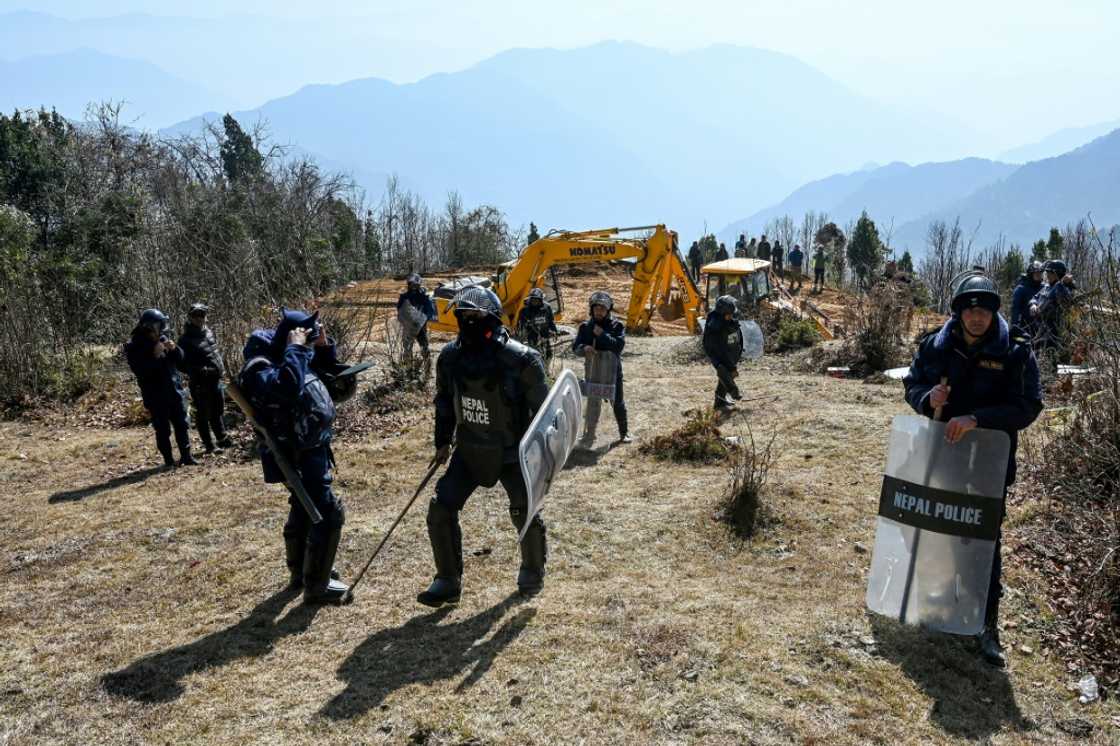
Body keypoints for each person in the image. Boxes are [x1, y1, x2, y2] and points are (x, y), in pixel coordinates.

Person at [903, 274, 1042, 666]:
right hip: (943, 456)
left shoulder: (1014, 351)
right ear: (958, 311)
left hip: (990, 462)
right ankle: (952, 597)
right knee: (948, 526)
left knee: (985, 539)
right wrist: (927, 397)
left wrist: (977, 418)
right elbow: (912, 385)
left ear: (994, 312)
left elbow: (1028, 406)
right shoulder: (936, 346)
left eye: (984, 309)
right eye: (970, 308)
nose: (977, 316)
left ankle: (987, 622)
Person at [418, 287, 550, 607]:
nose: (469, 321)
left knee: (524, 510)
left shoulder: (522, 359)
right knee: (441, 508)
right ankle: (447, 580)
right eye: (464, 316)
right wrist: (441, 442)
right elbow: (445, 404)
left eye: (476, 315)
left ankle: (532, 570)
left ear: (491, 316)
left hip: (512, 452)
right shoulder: (450, 357)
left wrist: (541, 457)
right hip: (470, 448)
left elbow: (545, 413)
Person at [239, 309, 350, 604]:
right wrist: (297, 349)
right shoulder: (259, 365)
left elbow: (332, 382)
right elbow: (285, 390)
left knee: (304, 507)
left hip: (314, 446)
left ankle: (304, 572)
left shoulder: (294, 355)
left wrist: (324, 347)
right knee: (328, 512)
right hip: (293, 451)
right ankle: (317, 584)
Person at [125, 308, 197, 468]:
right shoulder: (134, 346)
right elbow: (141, 371)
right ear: (148, 327)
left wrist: (175, 349)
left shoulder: (163, 338)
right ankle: (168, 461)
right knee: (163, 430)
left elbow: (181, 361)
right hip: (155, 396)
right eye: (158, 326)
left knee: (182, 424)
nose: (161, 330)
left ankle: (187, 456)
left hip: (174, 391)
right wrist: (155, 356)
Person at [573, 290, 630, 447]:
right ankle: (589, 434)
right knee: (593, 402)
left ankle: (624, 433)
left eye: (603, 309)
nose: (599, 311)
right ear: (591, 309)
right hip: (593, 371)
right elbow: (575, 347)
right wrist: (584, 348)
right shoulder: (585, 327)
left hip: (612, 371)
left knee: (617, 401)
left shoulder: (616, 326)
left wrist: (602, 335)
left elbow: (619, 346)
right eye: (596, 308)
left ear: (608, 310)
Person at [177, 303, 232, 454]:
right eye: (196, 315)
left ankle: (222, 438)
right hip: (200, 383)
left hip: (216, 379)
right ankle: (209, 445)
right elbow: (181, 364)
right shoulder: (185, 340)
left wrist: (220, 369)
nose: (199, 318)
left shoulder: (208, 332)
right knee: (203, 414)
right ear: (190, 317)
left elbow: (214, 353)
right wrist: (202, 371)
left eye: (202, 314)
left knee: (217, 410)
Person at [1029, 259, 1074, 372]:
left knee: (1055, 361)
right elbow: (1035, 297)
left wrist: (1061, 283)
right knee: (1035, 356)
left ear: (1057, 274)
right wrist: (1033, 305)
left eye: (1050, 273)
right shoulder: (1046, 286)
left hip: (1056, 332)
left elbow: (1065, 299)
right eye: (1047, 272)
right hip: (1042, 328)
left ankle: (1054, 383)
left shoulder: (1065, 288)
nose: (1047, 275)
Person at [703, 295, 744, 411]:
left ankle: (720, 402)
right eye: (729, 314)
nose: (731, 316)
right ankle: (732, 393)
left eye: (732, 314)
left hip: (729, 353)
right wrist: (731, 367)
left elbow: (735, 334)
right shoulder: (715, 327)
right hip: (718, 353)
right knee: (725, 373)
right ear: (722, 313)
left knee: (725, 375)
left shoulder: (727, 320)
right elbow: (719, 349)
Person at [397, 273, 437, 361]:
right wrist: (404, 320)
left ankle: (427, 370)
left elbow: (430, 311)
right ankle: (408, 369)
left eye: (416, 284)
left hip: (421, 327)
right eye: (412, 284)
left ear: (419, 284)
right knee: (407, 350)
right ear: (409, 284)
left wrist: (425, 317)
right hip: (408, 327)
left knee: (424, 348)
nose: (414, 286)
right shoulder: (404, 297)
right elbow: (399, 310)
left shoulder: (424, 297)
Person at [517, 287, 558, 360]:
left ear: (541, 300)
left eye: (537, 300)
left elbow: (551, 321)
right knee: (534, 354)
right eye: (533, 299)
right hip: (531, 334)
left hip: (545, 333)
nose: (535, 302)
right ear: (530, 299)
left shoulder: (547, 307)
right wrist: (521, 337)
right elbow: (520, 325)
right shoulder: (525, 310)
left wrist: (554, 331)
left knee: (548, 355)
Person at [1010, 261, 1043, 333]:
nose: (1039, 275)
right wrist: (1015, 327)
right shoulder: (1021, 289)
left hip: (1042, 327)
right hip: (1025, 327)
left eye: (1040, 273)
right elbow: (1015, 309)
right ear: (1031, 274)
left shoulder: (1044, 287)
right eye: (1036, 273)